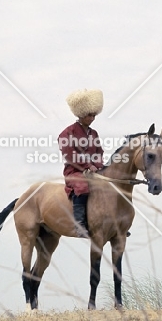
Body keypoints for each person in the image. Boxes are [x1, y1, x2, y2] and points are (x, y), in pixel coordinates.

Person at [58, 89, 104, 237]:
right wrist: (87, 166)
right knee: (82, 185)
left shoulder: (94, 133)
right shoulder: (66, 133)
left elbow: (99, 152)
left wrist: (99, 167)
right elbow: (70, 156)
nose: (93, 118)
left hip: (94, 171)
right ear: (81, 113)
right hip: (74, 172)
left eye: (94, 115)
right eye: (90, 115)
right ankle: (80, 226)